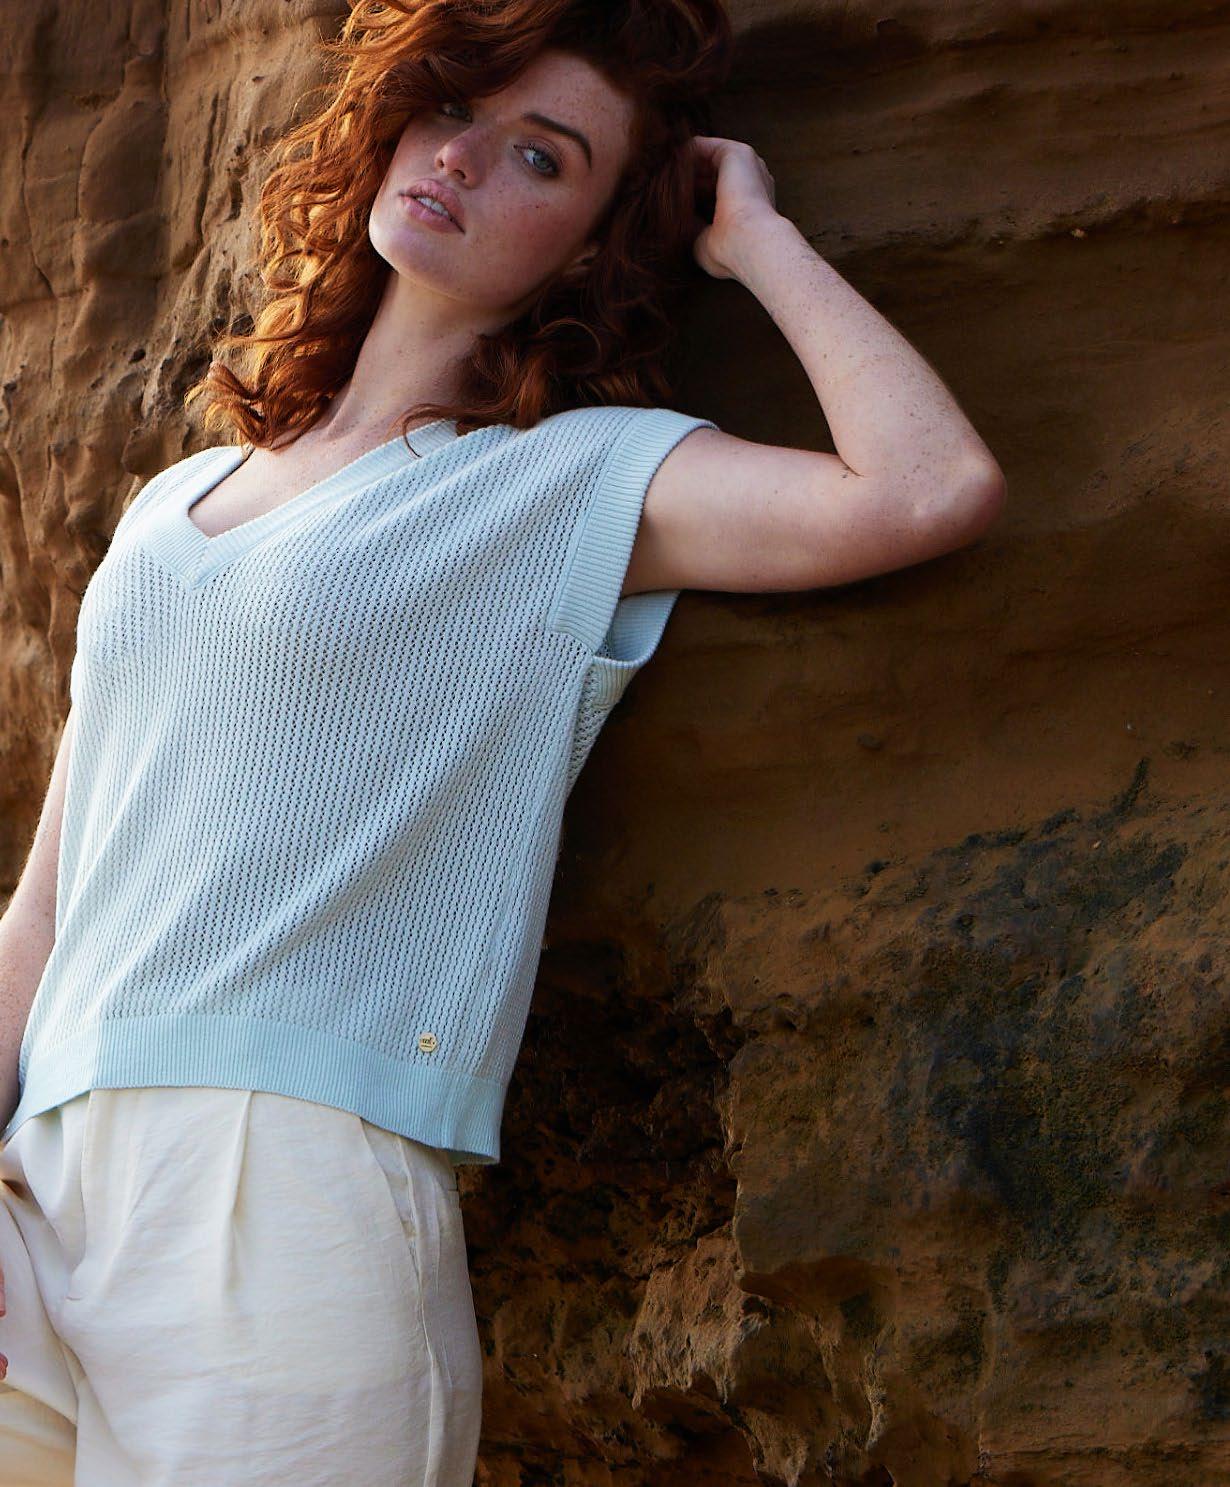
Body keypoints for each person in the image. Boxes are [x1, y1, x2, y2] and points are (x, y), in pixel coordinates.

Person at [0, 0, 1006, 1482]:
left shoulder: (564, 484)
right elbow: (45, 907)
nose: (464, 160)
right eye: (454, 109)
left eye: (543, 157)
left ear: (594, 246)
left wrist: (754, 242)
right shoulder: (169, 507)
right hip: (41, 1177)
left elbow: (924, 488)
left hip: (286, 1192)